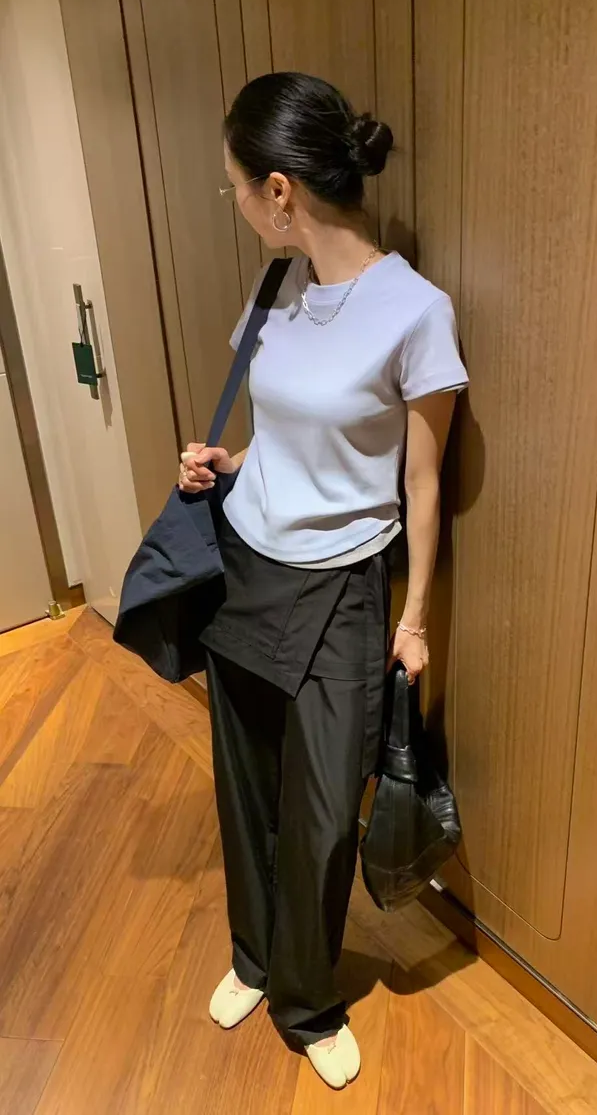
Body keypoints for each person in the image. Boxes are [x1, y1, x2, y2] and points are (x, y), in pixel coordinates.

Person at [178, 71, 468, 1090]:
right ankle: (256, 958)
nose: (237, 205)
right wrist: (228, 464)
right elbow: (281, 433)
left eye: (236, 188)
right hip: (246, 570)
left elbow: (422, 483)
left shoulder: (414, 311)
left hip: (344, 590)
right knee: (245, 788)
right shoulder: (275, 290)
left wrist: (413, 618)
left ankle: (306, 998)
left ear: (280, 190)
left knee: (318, 813)